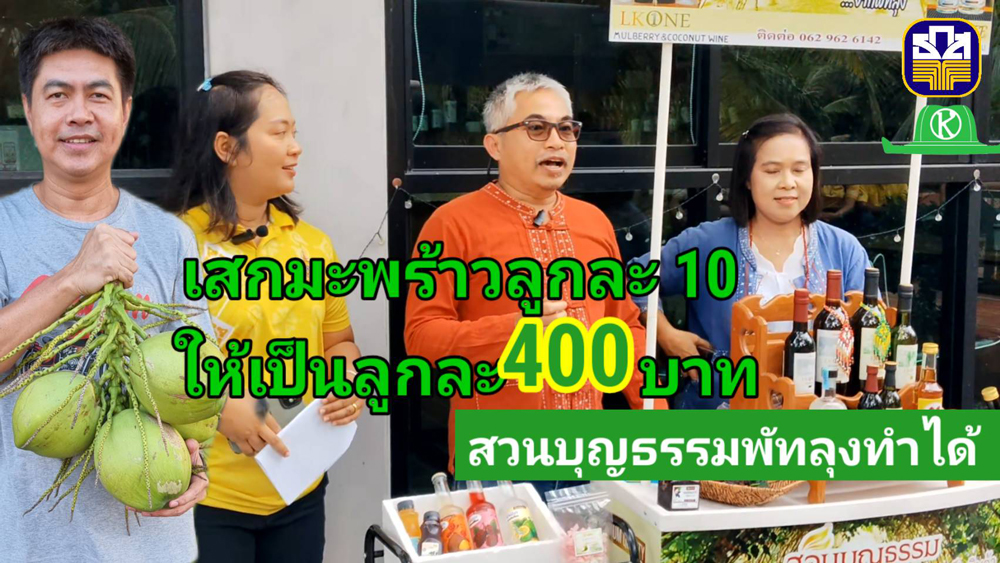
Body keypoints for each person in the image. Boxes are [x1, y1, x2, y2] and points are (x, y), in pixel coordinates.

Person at [0, 18, 211, 562]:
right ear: (29, 111)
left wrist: (197, 463)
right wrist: (72, 280)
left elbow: (201, 383)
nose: (79, 114)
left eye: (98, 95)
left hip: (157, 549)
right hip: (37, 549)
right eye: (58, 95)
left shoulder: (172, 238)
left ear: (125, 110)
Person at [404, 73, 667, 494]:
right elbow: (422, 338)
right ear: (495, 145)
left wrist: (652, 412)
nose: (556, 142)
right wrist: (515, 332)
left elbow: (626, 325)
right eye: (537, 128)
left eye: (566, 128)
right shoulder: (451, 224)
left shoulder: (594, 222)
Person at [169, 70, 363, 563]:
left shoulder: (313, 245)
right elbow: (148, 368)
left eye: (294, 132)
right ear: (227, 147)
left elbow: (339, 341)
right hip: (207, 496)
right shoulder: (173, 247)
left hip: (300, 486)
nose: (296, 147)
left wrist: (347, 379)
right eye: (279, 133)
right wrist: (218, 406)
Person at [631, 113, 871, 409]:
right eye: (772, 171)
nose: (788, 183)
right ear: (746, 178)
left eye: (799, 169)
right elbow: (633, 279)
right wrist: (666, 335)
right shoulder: (708, 243)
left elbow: (871, 335)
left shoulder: (844, 249)